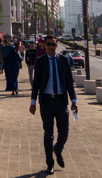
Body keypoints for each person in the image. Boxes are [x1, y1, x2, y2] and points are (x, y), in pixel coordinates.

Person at [29, 35, 77, 176]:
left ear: (57, 45)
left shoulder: (64, 60)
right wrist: (33, 102)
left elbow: (69, 82)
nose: (50, 46)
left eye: (53, 44)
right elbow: (36, 82)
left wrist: (74, 101)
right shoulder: (40, 61)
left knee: (64, 132)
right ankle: (50, 164)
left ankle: (58, 148)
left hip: (61, 101)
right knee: (48, 134)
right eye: (48, 44)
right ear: (45, 46)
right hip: (46, 102)